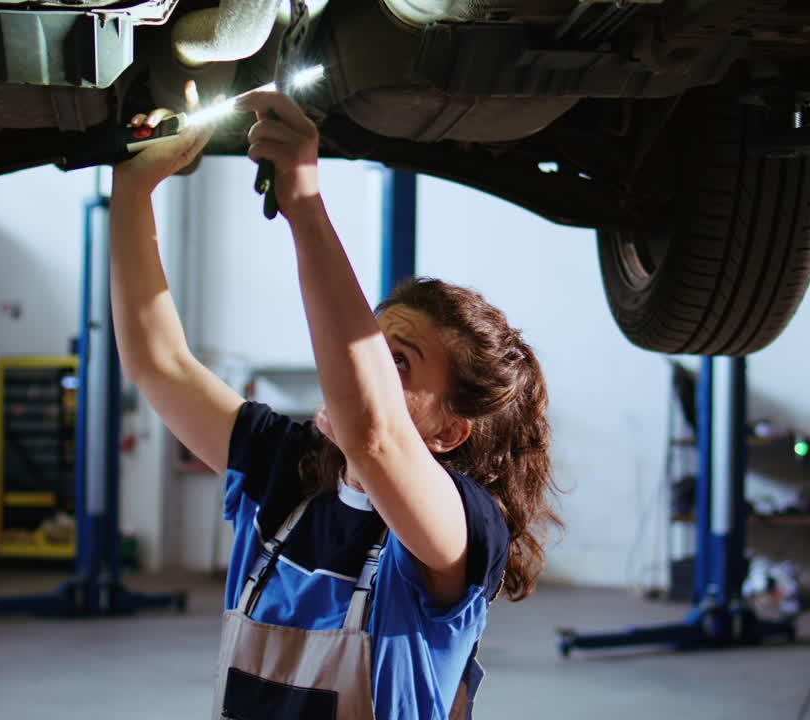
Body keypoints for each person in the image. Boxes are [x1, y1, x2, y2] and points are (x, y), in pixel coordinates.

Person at [109, 81, 562, 720]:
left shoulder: (461, 528)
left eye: (393, 363)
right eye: (366, 347)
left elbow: (374, 437)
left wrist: (305, 205)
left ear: (449, 432)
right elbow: (158, 365)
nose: (356, 369)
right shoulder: (283, 471)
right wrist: (133, 191)